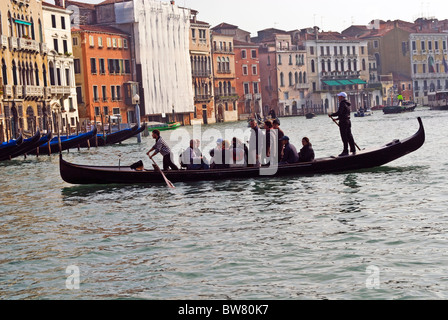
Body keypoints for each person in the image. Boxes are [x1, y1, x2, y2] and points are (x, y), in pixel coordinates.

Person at [329, 92, 356, 157]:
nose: (338, 98)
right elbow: (344, 114)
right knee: (349, 135)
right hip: (348, 121)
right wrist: (337, 119)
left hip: (343, 122)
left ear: (342, 97)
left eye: (339, 96)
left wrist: (332, 114)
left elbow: (339, 112)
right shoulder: (347, 103)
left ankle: (345, 151)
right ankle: (353, 149)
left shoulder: (342, 103)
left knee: (344, 136)